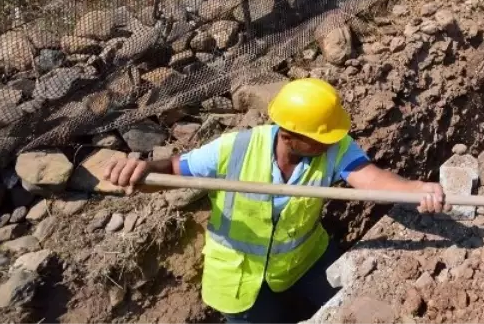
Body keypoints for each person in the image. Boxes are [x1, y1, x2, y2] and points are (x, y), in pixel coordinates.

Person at [105, 78, 445, 324]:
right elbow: (174, 169)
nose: (331, 143)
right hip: (241, 282)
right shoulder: (234, 148)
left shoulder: (335, 145)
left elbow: (369, 178)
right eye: (320, 139)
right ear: (289, 135)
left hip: (308, 261)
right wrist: (143, 171)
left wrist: (415, 188)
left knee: (350, 308)